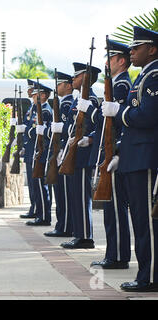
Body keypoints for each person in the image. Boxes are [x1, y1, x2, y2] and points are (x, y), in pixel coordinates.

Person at [102, 26, 158, 292]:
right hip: (134, 156)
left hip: (145, 157)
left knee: (146, 220)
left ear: (152, 49)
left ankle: (150, 277)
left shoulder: (154, 76)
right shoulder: (143, 76)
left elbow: (147, 116)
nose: (132, 51)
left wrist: (119, 112)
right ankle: (146, 274)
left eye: (137, 47)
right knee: (140, 219)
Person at [83, 40, 132, 269]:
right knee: (111, 209)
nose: (106, 62)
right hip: (108, 152)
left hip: (114, 153)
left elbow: (114, 123)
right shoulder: (117, 84)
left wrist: (117, 151)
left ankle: (118, 256)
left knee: (116, 208)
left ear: (121, 60)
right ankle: (113, 254)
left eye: (110, 58)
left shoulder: (121, 86)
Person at [59, 62, 101, 249]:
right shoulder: (78, 100)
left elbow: (98, 122)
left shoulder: (89, 99)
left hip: (83, 154)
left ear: (85, 78)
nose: (73, 79)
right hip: (74, 152)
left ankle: (85, 237)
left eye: (77, 76)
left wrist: (88, 139)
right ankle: (79, 233)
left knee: (83, 198)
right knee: (76, 196)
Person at [44, 72, 74, 237]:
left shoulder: (67, 104)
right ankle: (61, 224)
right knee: (59, 192)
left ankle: (65, 226)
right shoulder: (63, 103)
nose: (57, 87)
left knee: (63, 193)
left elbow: (65, 130)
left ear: (68, 86)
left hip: (63, 152)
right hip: (59, 151)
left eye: (60, 84)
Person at [21, 83, 53, 226]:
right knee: (36, 185)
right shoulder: (38, 109)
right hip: (33, 149)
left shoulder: (45, 110)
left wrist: (26, 131)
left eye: (36, 94)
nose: (33, 96)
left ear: (44, 95)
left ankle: (44, 216)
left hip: (41, 150)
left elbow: (41, 132)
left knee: (40, 185)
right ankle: (39, 214)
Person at [19, 79, 37, 219]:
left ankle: (37, 209)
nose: (29, 91)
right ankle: (34, 207)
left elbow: (34, 128)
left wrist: (25, 130)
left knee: (35, 182)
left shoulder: (38, 108)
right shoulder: (32, 107)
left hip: (35, 148)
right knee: (31, 182)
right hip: (30, 148)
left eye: (31, 89)